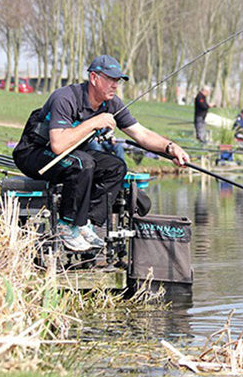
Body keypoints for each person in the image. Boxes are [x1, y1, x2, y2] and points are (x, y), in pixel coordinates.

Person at [13, 54, 190, 252]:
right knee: (82, 163)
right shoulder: (65, 97)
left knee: (115, 167)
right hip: (34, 153)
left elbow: (141, 134)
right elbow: (58, 144)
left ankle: (85, 222)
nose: (115, 85)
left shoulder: (112, 104)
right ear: (94, 78)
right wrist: (94, 122)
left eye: (118, 80)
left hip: (70, 155)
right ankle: (66, 225)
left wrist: (171, 147)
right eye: (111, 79)